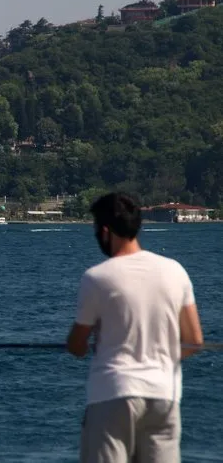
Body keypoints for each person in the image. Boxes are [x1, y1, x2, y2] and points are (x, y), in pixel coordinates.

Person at [66, 192, 204, 463]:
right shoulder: (174, 271)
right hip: (164, 395)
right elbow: (194, 340)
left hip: (112, 394)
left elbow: (77, 344)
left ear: (105, 231)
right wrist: (159, 358)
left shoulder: (97, 277)